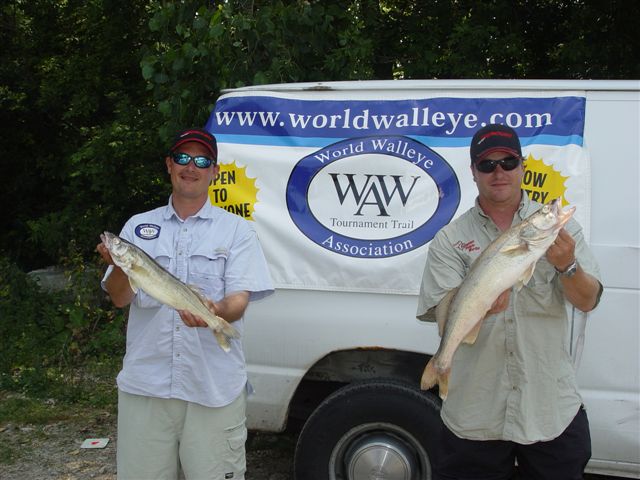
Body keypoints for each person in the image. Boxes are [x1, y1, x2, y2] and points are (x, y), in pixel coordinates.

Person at [416, 124, 603, 480]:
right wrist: (484, 307)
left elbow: (588, 300)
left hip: (548, 409)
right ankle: (440, 365)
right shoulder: (449, 240)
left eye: (508, 162)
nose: (498, 172)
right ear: (473, 172)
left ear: (522, 166)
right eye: (487, 165)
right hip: (475, 412)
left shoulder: (562, 233)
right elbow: (447, 318)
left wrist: (567, 265)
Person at [96, 128, 273, 480]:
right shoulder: (138, 226)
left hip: (213, 388)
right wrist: (118, 264)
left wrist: (215, 314)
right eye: (182, 158)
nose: (191, 167)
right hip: (146, 387)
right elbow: (119, 297)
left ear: (214, 172)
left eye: (202, 161)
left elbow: (239, 300)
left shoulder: (237, 231)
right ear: (169, 165)